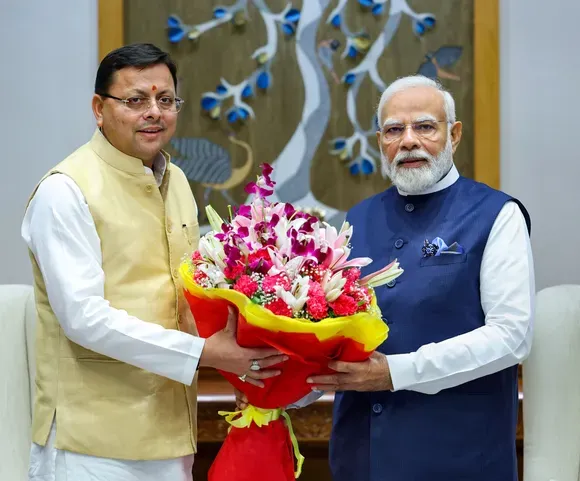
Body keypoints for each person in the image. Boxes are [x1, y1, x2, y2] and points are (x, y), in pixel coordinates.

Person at [236, 75, 535, 480]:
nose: (408, 140)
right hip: (363, 455)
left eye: (425, 126)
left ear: (455, 134)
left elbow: (511, 336)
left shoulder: (497, 215)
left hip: (459, 457)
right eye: (394, 129)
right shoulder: (358, 218)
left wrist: (396, 372)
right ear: (380, 141)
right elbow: (328, 332)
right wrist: (281, 386)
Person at [22, 43, 285, 481]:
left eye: (165, 100)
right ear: (98, 108)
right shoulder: (65, 190)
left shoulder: (176, 179)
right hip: (91, 443)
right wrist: (206, 353)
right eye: (135, 100)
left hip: (171, 432)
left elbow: (190, 293)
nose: (154, 112)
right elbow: (84, 318)